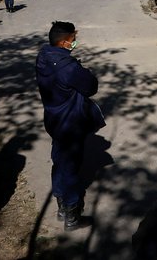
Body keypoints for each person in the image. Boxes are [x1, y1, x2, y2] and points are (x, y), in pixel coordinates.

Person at [35, 21, 105, 231]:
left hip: (54, 118)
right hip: (71, 122)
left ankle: (61, 205)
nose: (74, 43)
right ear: (64, 42)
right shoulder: (67, 67)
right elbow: (90, 86)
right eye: (73, 40)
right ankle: (72, 214)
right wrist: (86, 72)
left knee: (59, 159)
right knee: (71, 166)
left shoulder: (43, 57)